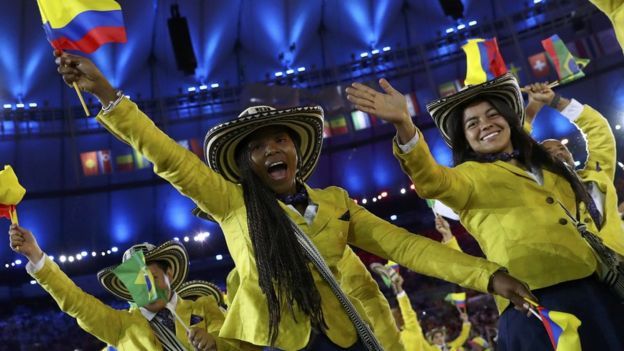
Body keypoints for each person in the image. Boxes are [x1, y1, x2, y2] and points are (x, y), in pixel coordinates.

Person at [55, 52, 533, 351]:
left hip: (345, 338)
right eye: (257, 148)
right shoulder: (231, 202)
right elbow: (169, 158)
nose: (271, 151)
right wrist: (107, 95)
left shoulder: (336, 203)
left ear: (296, 151)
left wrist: (487, 275)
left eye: (280, 140)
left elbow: (408, 247)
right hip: (275, 343)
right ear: (246, 165)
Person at [346, 73, 624, 349]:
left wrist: (554, 102)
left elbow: (597, 139)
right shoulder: (469, 178)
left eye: (493, 115)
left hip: (598, 290)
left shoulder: (551, 168)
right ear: (465, 138)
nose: (486, 125)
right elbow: (430, 179)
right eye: (473, 123)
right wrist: (404, 125)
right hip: (533, 305)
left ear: (508, 119)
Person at [7, 224, 231, 351]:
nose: (147, 286)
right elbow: (76, 302)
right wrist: (36, 256)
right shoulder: (120, 326)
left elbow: (243, 346)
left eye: (152, 276)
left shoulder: (205, 307)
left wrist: (215, 344)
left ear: (169, 273)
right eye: (138, 282)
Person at [524, 82, 624, 254]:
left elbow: (599, 131)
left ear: (570, 155)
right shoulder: (536, 191)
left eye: (562, 148)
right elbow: (515, 147)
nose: (557, 152)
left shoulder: (597, 176)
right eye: (548, 151)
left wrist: (556, 101)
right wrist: (532, 108)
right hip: (578, 271)